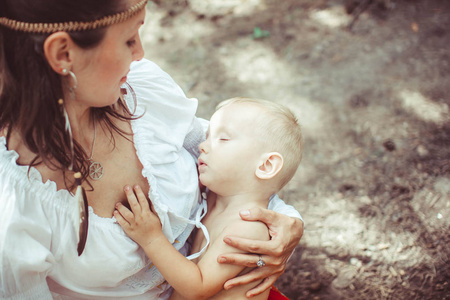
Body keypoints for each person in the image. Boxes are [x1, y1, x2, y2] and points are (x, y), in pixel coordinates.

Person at [0, 0, 304, 299]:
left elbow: (242, 161)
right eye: (129, 39)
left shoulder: (142, 90)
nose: (140, 54)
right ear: (63, 53)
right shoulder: (12, 205)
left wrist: (284, 225)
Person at [115, 98, 304, 300]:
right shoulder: (215, 199)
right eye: (207, 136)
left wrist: (151, 238)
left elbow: (197, 287)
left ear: (266, 166)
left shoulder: (248, 227)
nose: (203, 146)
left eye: (223, 139)